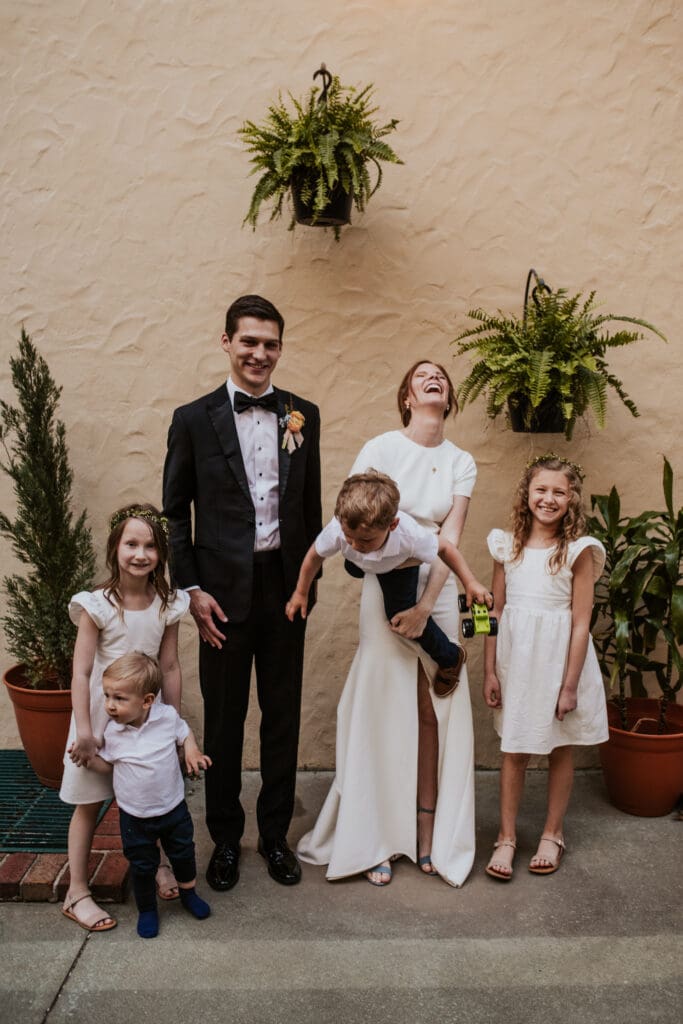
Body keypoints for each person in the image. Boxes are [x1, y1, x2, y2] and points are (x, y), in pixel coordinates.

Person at [298, 359, 479, 887]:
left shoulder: (461, 461)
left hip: (438, 586)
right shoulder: (380, 448)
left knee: (434, 711)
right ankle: (375, 835)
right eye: (422, 375)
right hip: (384, 583)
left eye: (441, 376)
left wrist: (427, 607)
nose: (434, 378)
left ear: (448, 397)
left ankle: (429, 834)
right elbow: (351, 523)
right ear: (406, 396)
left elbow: (450, 539)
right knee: (384, 702)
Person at [163, 294, 321, 891]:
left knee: (282, 719)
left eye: (270, 343)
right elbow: (175, 513)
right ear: (225, 342)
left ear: (280, 348)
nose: (259, 353)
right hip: (219, 601)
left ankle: (275, 836)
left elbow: (308, 510)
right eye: (249, 341)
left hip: (286, 595)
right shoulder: (192, 418)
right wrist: (192, 591)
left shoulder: (303, 415)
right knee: (225, 724)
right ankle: (225, 839)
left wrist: (308, 583)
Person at [59, 503, 191, 931]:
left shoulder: (167, 604)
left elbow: (168, 667)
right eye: (131, 543)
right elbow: (81, 671)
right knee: (89, 802)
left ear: (161, 554)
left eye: (150, 546)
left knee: (153, 797)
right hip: (100, 715)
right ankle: (77, 891)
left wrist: (172, 725)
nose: (140, 554)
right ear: (116, 547)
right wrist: (84, 730)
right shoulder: (98, 605)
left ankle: (158, 866)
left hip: (148, 718)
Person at [482, 454, 608, 881]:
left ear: (572, 498)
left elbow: (580, 622)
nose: (549, 498)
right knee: (513, 748)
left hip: (559, 664)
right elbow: (494, 611)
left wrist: (569, 685)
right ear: (527, 494)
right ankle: (506, 837)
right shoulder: (506, 546)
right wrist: (489, 671)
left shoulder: (578, 551)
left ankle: (553, 833)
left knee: (559, 747)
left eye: (559, 491)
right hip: (516, 661)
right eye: (541, 489)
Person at [286, 469, 491, 697]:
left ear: (392, 525)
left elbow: (445, 548)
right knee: (352, 561)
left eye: (364, 539)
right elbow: (314, 556)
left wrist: (470, 582)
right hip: (366, 562)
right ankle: (363, 562)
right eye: (348, 537)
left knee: (397, 615)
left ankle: (450, 656)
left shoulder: (409, 536)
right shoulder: (339, 531)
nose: (354, 544)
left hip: (398, 566)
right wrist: (301, 592)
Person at [87, 652, 212, 938]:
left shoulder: (166, 717)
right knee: (142, 866)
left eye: (119, 698)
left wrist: (191, 749)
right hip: (135, 815)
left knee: (183, 854)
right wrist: (86, 758)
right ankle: (147, 910)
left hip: (173, 809)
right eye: (107, 696)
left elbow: (184, 732)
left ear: (146, 701)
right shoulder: (113, 732)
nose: (109, 705)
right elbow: (106, 765)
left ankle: (188, 894)